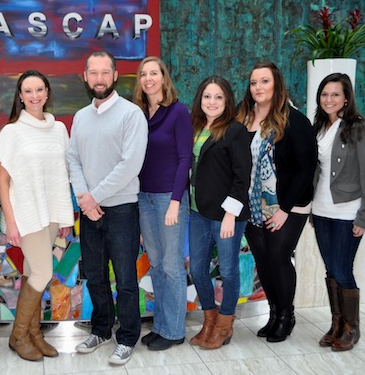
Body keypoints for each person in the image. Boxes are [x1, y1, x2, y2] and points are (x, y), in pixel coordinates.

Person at [67, 51, 148, 365]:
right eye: (93, 73)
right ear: (85, 76)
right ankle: (101, 329)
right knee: (96, 277)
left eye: (105, 72)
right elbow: (73, 159)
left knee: (126, 279)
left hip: (122, 211)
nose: (99, 78)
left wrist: (92, 198)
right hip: (90, 212)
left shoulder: (131, 114)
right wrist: (84, 197)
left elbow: (131, 165)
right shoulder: (81, 116)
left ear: (115, 76)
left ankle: (127, 337)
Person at [0, 70, 74, 361]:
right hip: (26, 214)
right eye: (28, 91)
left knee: (31, 272)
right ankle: (18, 335)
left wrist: (65, 218)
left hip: (50, 213)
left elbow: (63, 175)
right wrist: (10, 221)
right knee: (43, 273)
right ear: (20, 96)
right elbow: (3, 181)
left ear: (47, 93)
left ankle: (34, 334)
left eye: (39, 89)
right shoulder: (11, 132)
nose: (35, 95)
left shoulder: (59, 129)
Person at [237, 62, 317, 343]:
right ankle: (272, 313)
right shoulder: (243, 117)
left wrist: (284, 209)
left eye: (264, 81)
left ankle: (286, 316)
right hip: (251, 205)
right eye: (254, 82)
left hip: (287, 205)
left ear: (276, 85)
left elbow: (306, 169)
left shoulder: (294, 120)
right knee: (262, 259)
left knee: (278, 257)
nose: (258, 87)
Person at [312, 73, 365, 351]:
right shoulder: (319, 126)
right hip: (321, 210)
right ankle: (337, 323)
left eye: (335, 94)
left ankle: (352, 328)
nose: (329, 99)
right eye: (325, 94)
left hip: (347, 212)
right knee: (330, 269)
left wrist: (364, 216)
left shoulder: (359, 128)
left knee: (342, 268)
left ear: (347, 98)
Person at [131, 56, 192, 351]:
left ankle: (175, 330)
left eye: (153, 73)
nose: (148, 78)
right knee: (156, 265)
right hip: (144, 198)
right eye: (144, 74)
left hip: (170, 197)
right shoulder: (139, 114)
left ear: (163, 77)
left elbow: (184, 159)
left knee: (171, 266)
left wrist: (175, 202)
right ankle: (161, 326)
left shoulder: (178, 111)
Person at [188, 76, 252, 349]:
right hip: (197, 212)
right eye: (207, 96)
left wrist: (230, 214)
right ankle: (209, 320)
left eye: (218, 97)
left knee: (227, 271)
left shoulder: (235, 130)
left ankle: (225, 326)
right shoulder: (195, 127)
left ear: (227, 101)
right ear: (199, 99)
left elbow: (242, 176)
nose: (211, 102)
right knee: (199, 270)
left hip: (226, 215)